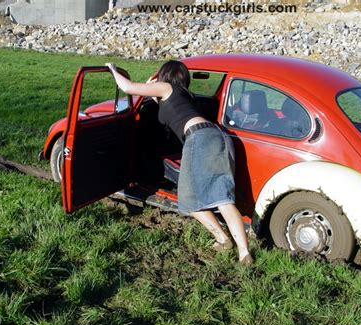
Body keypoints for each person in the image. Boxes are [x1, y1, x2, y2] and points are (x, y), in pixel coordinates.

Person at [106, 60, 253, 265]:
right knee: (223, 198)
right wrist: (150, 86)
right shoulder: (183, 95)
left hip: (198, 138)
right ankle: (244, 252)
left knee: (188, 200)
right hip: (219, 136)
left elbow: (128, 87)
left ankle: (222, 238)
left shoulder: (167, 87)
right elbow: (166, 107)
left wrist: (113, 69)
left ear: (164, 76)